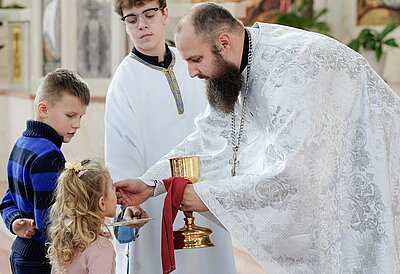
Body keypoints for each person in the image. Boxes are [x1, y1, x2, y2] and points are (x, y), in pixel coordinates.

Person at [114, 2, 400, 273]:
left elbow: (292, 173)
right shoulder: (234, 69)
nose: (191, 73)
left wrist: (204, 196)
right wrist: (151, 183)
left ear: (224, 42)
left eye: (196, 59)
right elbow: (210, 139)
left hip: (370, 176)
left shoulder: (297, 68)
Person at [104, 0, 236, 274]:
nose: (142, 25)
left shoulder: (194, 61)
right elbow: (120, 151)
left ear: (164, 14)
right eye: (132, 19)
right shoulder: (125, 80)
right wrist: (127, 205)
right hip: (154, 201)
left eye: (149, 15)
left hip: (204, 192)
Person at [0, 68, 90, 274]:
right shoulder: (49, 156)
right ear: (43, 109)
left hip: (21, 253)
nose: (76, 124)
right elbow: (51, 223)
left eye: (80, 117)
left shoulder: (21, 144)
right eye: (70, 115)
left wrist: (14, 221)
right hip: (42, 259)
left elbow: (8, 199)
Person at [47, 159, 117, 273]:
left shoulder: (66, 241)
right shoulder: (101, 248)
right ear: (102, 203)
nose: (116, 190)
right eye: (112, 187)